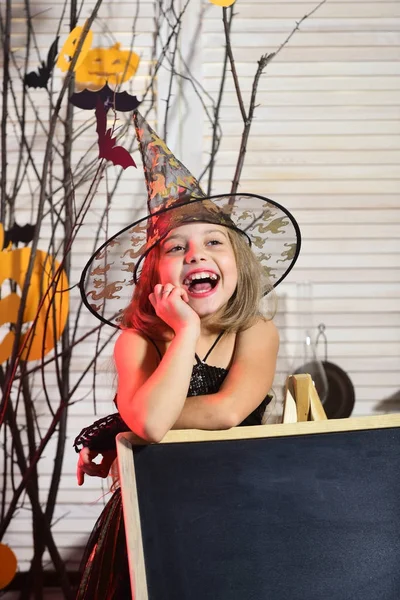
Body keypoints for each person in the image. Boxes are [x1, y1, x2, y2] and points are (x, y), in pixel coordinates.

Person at [74, 111, 301, 599]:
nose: (196, 255)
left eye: (213, 242)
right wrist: (183, 332)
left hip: (239, 505)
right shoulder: (137, 340)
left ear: (238, 264)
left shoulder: (256, 332)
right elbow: (153, 426)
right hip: (153, 511)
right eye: (177, 248)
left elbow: (226, 411)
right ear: (156, 273)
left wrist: (122, 426)